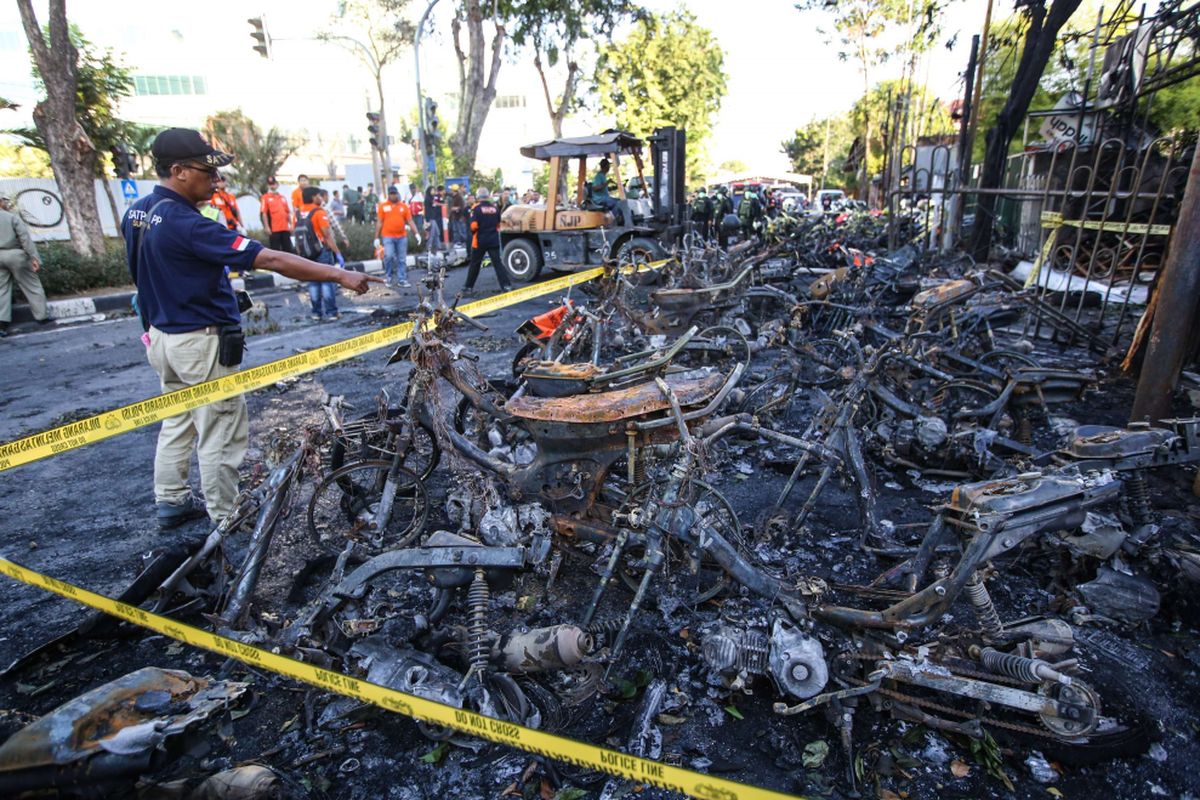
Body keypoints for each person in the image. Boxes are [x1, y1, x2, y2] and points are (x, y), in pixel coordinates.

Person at [123, 128, 378, 528]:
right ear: (178, 171)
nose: (215, 180)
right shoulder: (190, 224)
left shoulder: (137, 213)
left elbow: (140, 273)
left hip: (161, 338)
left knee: (178, 420)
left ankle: (171, 500)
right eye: (205, 171)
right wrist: (338, 274)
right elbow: (271, 259)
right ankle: (228, 517)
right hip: (200, 342)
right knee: (219, 427)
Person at [0, 193, 48, 337]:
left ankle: (2, 323)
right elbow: (25, 238)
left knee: (1, 290)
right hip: (15, 255)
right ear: (0, 202)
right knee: (32, 285)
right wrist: (34, 258)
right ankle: (42, 317)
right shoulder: (11, 217)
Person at [296, 186, 346, 321]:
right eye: (319, 196)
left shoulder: (298, 213)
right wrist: (338, 253)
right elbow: (327, 235)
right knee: (326, 281)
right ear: (313, 197)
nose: (321, 198)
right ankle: (331, 312)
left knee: (312, 282)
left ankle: (316, 313)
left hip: (307, 253)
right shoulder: (319, 212)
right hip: (321, 251)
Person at [463, 187, 512, 296]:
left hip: (479, 240)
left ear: (478, 197)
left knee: (475, 264)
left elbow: (473, 226)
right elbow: (498, 224)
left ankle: (468, 288)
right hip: (493, 240)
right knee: (498, 264)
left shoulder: (476, 208)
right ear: (488, 196)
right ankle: (506, 285)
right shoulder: (495, 208)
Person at [374, 185, 421, 288]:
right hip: (388, 236)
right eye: (391, 194)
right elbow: (379, 222)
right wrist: (376, 238)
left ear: (397, 194)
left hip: (401, 237)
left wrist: (416, 233)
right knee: (389, 256)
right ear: (388, 195)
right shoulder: (383, 206)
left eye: (394, 194)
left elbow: (410, 221)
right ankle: (389, 277)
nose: (393, 196)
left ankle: (402, 279)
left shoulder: (403, 206)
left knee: (402, 259)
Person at [590, 158, 633, 227]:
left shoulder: (603, 176)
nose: (609, 168)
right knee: (619, 203)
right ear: (606, 166)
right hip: (599, 199)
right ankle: (610, 220)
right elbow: (595, 188)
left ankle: (619, 220)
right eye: (608, 166)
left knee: (622, 201)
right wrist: (607, 182)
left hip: (605, 197)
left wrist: (616, 187)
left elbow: (603, 188)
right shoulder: (599, 176)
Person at [259, 176, 293, 253]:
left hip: (285, 228)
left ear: (277, 185)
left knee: (288, 250)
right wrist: (267, 227)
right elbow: (264, 213)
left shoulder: (282, 197)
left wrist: (291, 224)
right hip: (274, 229)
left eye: (273, 184)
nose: (272, 186)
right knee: (275, 251)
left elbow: (287, 212)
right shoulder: (265, 197)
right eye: (270, 184)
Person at [426, 185, 445, 252]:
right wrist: (443, 205)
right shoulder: (428, 198)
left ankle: (438, 246)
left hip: (433, 217)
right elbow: (435, 203)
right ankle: (429, 246)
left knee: (437, 232)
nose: (434, 191)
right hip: (430, 218)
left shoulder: (432, 197)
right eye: (432, 190)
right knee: (432, 233)